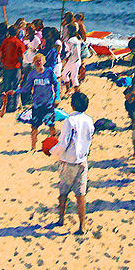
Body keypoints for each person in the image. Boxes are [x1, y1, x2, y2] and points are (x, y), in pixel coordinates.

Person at [50, 91, 95, 234]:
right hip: (82, 160)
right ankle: (82, 226)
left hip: (68, 161)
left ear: (73, 104)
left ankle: (61, 219)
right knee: (81, 195)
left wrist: (53, 152)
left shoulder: (69, 121)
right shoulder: (89, 120)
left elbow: (63, 143)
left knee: (63, 192)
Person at [14, 52, 60, 151]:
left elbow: (56, 85)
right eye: (36, 61)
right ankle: (33, 148)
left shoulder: (49, 72)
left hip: (48, 104)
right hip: (37, 105)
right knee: (34, 127)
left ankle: (55, 145)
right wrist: (15, 91)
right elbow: (26, 88)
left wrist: (57, 98)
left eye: (39, 61)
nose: (38, 63)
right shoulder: (32, 74)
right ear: (34, 63)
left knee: (51, 126)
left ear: (43, 62)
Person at [0, 23, 26, 109]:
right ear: (17, 32)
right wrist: (21, 64)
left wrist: (3, 62)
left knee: (6, 86)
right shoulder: (19, 42)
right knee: (16, 86)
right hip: (16, 66)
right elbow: (21, 55)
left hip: (7, 66)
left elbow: (0, 54)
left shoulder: (5, 41)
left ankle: (5, 104)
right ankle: (15, 105)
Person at [60, 22, 84, 97]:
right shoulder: (77, 39)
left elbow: (69, 52)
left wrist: (65, 59)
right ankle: (72, 91)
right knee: (73, 77)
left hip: (72, 61)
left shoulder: (70, 41)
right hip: (77, 60)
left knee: (66, 75)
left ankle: (71, 91)